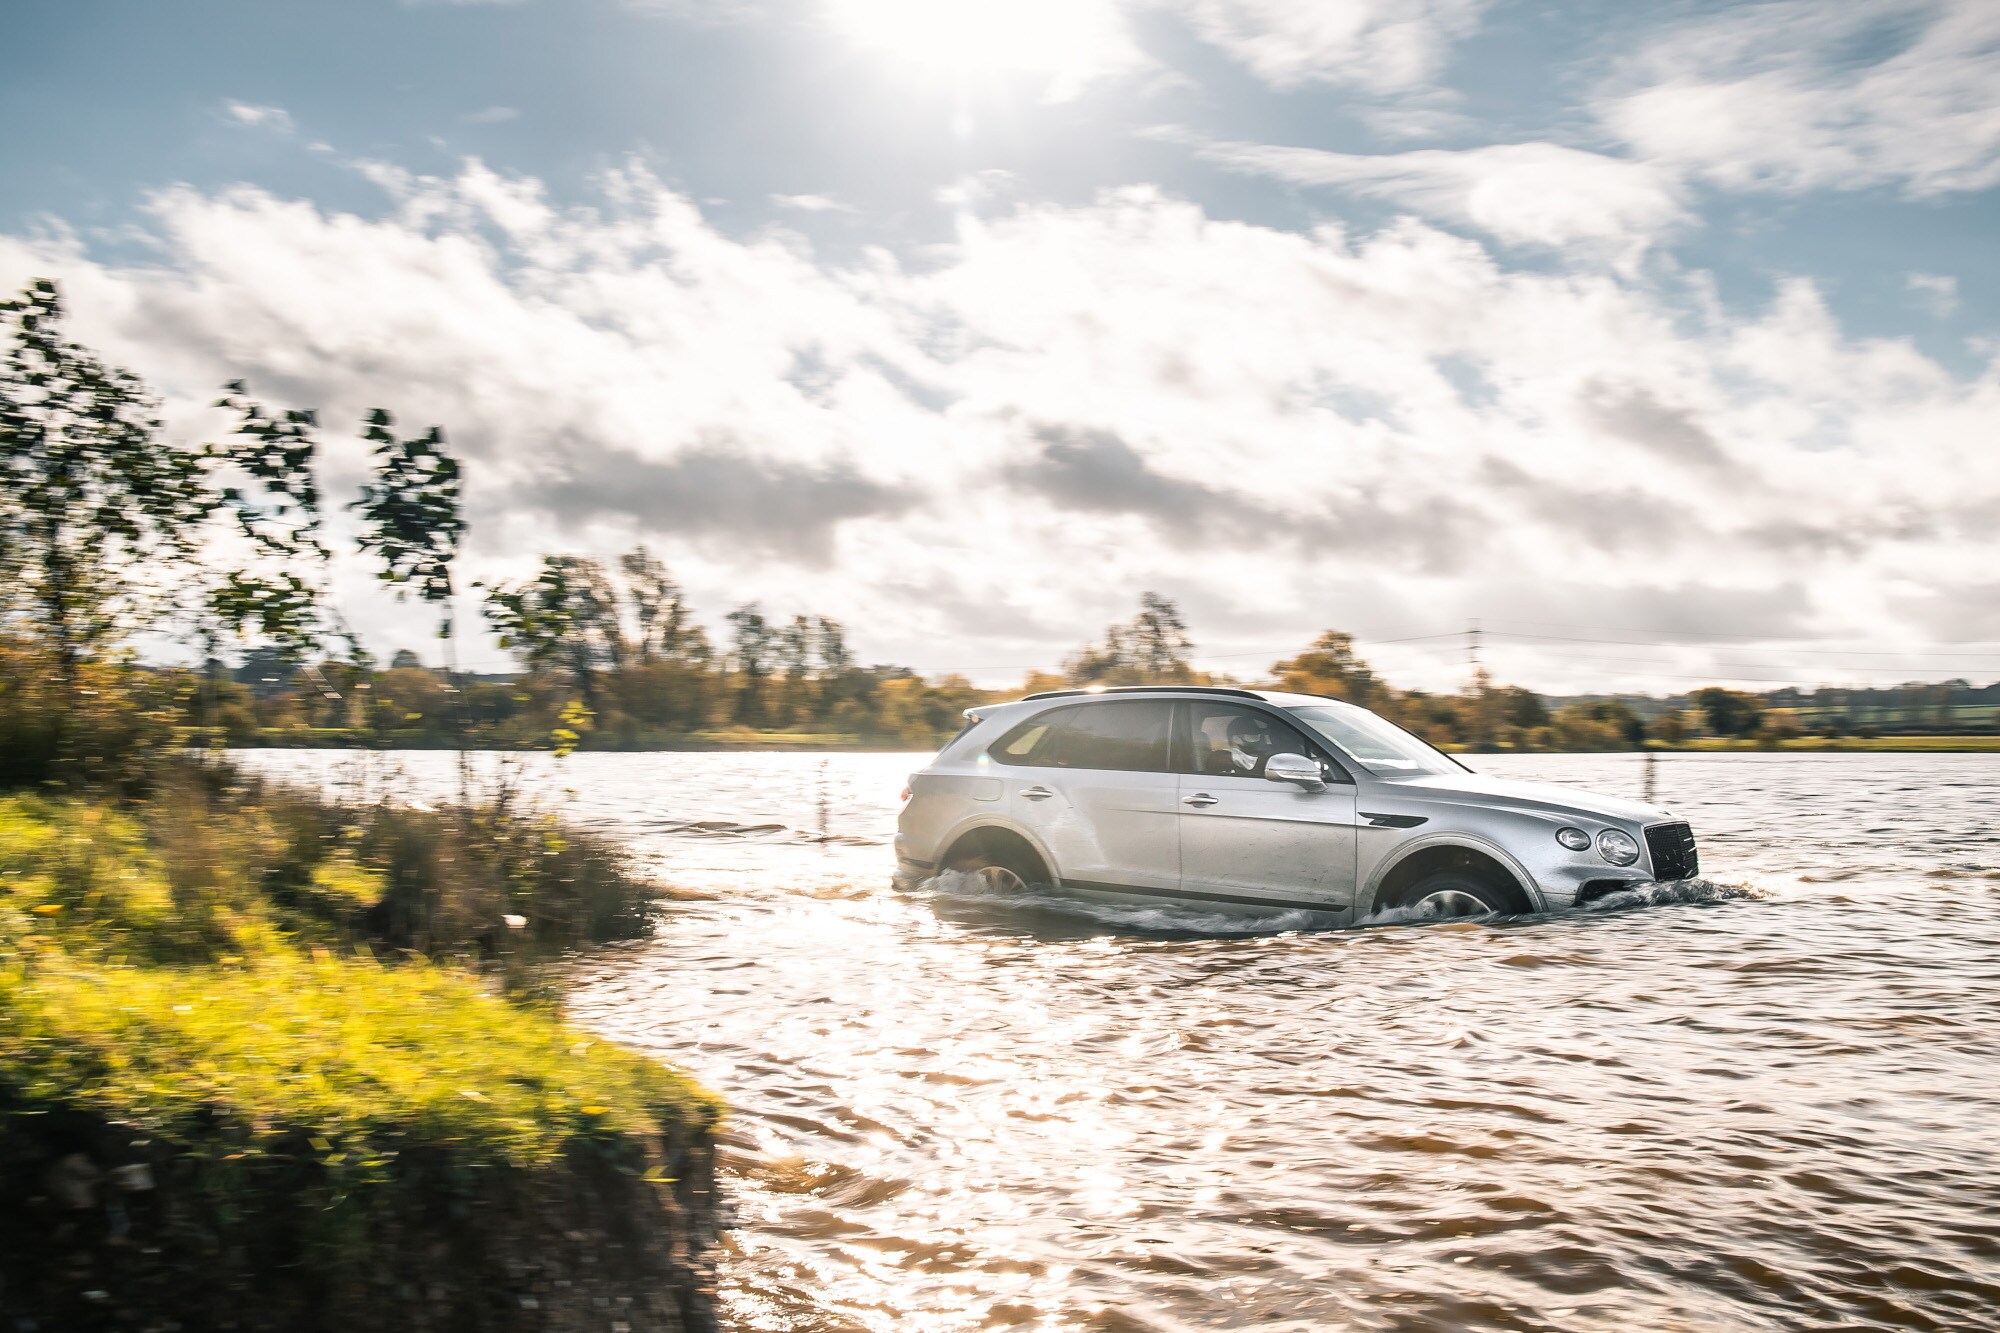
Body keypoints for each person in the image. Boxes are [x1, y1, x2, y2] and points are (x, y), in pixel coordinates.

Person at [1224, 712, 1277, 777]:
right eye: (1252, 737)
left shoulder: (1264, 757)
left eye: (1258, 736)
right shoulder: (1224, 759)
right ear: (1236, 739)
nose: (1257, 740)